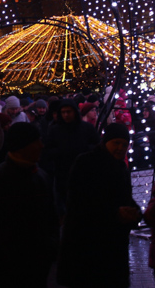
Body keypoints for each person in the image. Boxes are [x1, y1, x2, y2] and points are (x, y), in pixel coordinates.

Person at [0, 122, 58, 287]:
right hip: (3, 273)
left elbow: (51, 219)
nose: (41, 145)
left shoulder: (42, 178)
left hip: (36, 269)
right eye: (36, 141)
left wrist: (48, 251)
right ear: (22, 146)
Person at [57, 123, 141, 288]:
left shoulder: (121, 167)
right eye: (116, 143)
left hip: (113, 247)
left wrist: (135, 212)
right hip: (88, 247)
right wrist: (115, 214)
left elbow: (125, 198)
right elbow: (79, 204)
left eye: (124, 144)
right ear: (105, 141)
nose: (120, 148)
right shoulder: (86, 163)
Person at [41, 98, 98, 215]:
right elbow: (47, 150)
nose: (66, 115)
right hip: (63, 173)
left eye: (68, 112)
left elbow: (97, 146)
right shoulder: (54, 130)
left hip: (84, 173)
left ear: (75, 112)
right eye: (63, 112)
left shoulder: (86, 128)